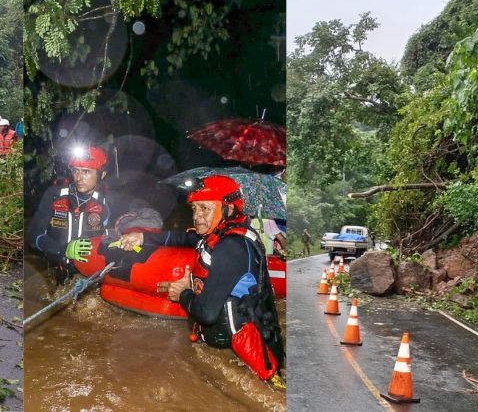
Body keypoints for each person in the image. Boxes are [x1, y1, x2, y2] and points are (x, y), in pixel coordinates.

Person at [119, 175, 285, 385]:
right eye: (194, 208)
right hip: (232, 346)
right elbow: (182, 237)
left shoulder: (232, 247)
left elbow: (206, 313)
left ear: (229, 210)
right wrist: (142, 237)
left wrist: (183, 294)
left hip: (256, 355)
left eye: (205, 208)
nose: (196, 216)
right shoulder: (217, 235)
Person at [26, 145, 112, 284]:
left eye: (86, 172)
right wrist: (63, 249)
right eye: (75, 171)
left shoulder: (106, 202)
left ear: (102, 174)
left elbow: (116, 234)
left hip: (91, 277)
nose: (79, 178)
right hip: (54, 274)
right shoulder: (55, 195)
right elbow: (33, 236)